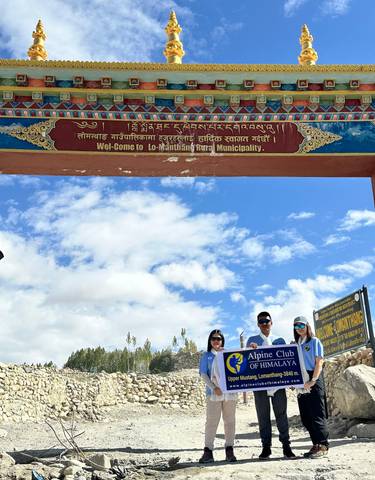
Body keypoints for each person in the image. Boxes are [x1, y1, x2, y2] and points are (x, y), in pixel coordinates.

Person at [246, 311, 295, 460]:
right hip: (260, 385)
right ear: (258, 324)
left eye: (266, 321)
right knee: (263, 417)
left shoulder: (279, 340)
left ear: (271, 322)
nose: (264, 324)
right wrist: (250, 351)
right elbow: (247, 361)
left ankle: (286, 446)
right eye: (261, 322)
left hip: (278, 385)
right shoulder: (251, 340)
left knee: (281, 416)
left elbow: (287, 360)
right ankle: (266, 447)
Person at [198, 329, 237, 463]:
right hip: (213, 394)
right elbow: (203, 374)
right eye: (214, 338)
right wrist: (214, 388)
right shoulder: (206, 356)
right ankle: (208, 451)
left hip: (229, 394)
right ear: (210, 341)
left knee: (230, 421)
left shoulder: (227, 354)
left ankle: (229, 450)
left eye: (218, 339)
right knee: (211, 422)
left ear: (222, 341)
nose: (216, 341)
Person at [293, 315, 329, 458]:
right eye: (296, 326)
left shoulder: (315, 341)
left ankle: (323, 445)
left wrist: (313, 380)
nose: (299, 329)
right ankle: (315, 444)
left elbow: (319, 362)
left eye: (301, 325)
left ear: (307, 326)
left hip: (313, 377)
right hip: (302, 381)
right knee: (306, 416)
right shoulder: (297, 345)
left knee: (317, 414)